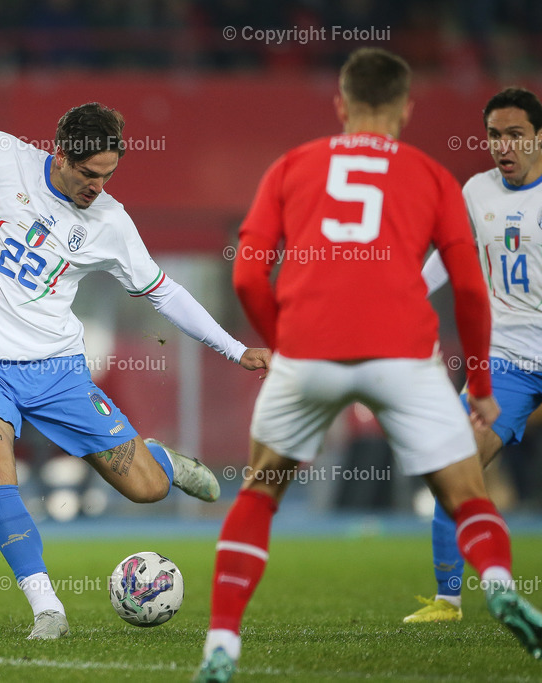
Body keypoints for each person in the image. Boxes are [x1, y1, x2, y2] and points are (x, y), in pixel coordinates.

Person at [0, 20, 270, 640]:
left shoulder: (111, 221)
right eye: (90, 174)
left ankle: (162, 462)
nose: (99, 188)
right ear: (61, 154)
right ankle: (48, 608)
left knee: (146, 491)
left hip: (58, 369)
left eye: (109, 176)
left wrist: (233, 349)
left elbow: (163, 291)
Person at [197, 49, 542, 682]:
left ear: (340, 105)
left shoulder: (292, 166)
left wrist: (283, 345)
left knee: (260, 493)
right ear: (407, 109)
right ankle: (496, 583)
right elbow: (468, 291)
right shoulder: (434, 177)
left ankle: (222, 644)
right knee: (466, 491)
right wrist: (483, 388)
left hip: (308, 351)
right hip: (403, 355)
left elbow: (248, 274)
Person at [406, 87, 542, 623]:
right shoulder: (476, 190)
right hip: (507, 358)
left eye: (515, 135)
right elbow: (451, 254)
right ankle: (448, 600)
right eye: (494, 135)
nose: (502, 146)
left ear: (538, 137)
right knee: (452, 463)